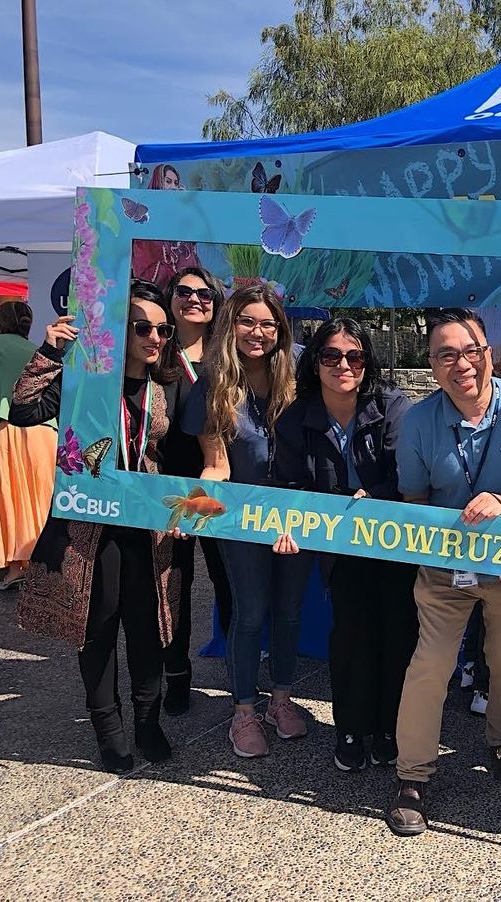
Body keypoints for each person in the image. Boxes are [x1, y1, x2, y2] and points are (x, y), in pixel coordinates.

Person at [385, 308, 501, 837]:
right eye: (446, 355)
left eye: (471, 351)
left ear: (489, 353)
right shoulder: (418, 422)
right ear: (432, 365)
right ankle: (412, 775)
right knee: (430, 664)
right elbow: (414, 500)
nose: (462, 364)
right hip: (445, 569)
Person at [10, 281, 184, 773]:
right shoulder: (83, 381)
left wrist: (185, 512)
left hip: (147, 528)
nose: (155, 338)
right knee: (98, 627)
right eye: (143, 328)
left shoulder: (168, 386)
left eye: (163, 330)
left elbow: (177, 456)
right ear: (118, 330)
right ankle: (109, 730)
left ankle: (148, 722)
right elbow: (23, 408)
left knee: (147, 628)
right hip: (91, 526)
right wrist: (49, 351)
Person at [273, 317, 417, 772]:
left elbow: (407, 478)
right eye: (331, 355)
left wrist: (374, 498)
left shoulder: (393, 406)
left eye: (355, 356)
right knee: (351, 636)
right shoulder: (296, 418)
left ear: (367, 362)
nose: (343, 365)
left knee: (397, 634)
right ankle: (351, 729)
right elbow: (289, 486)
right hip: (340, 549)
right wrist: (289, 524)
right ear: (315, 362)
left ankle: (389, 729)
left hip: (394, 542)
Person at [181, 284, 310, 758]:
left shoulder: (300, 375)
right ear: (230, 325)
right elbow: (216, 466)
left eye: (268, 324)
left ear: (281, 330)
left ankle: (281, 699)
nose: (258, 332)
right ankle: (243, 711)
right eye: (248, 321)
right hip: (243, 518)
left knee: (289, 611)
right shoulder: (212, 385)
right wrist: (189, 507)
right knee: (250, 612)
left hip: (299, 516)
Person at [160, 266, 233, 717]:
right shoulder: (154, 352)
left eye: (204, 293)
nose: (194, 299)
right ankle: (177, 675)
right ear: (170, 298)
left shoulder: (227, 358)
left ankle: (240, 675)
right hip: (168, 489)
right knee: (175, 585)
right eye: (184, 291)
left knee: (229, 582)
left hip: (221, 485)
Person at [0, 301, 55, 590]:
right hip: (44, 428)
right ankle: (42, 564)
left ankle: (16, 567)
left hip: (5, 423)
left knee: (8, 495)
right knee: (41, 497)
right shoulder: (37, 349)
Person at [131, 165, 200, 289]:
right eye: (168, 182)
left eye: (176, 183)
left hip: (183, 286)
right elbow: (143, 257)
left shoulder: (181, 215)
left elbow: (190, 252)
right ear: (158, 183)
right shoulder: (146, 216)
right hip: (157, 287)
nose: (173, 187)